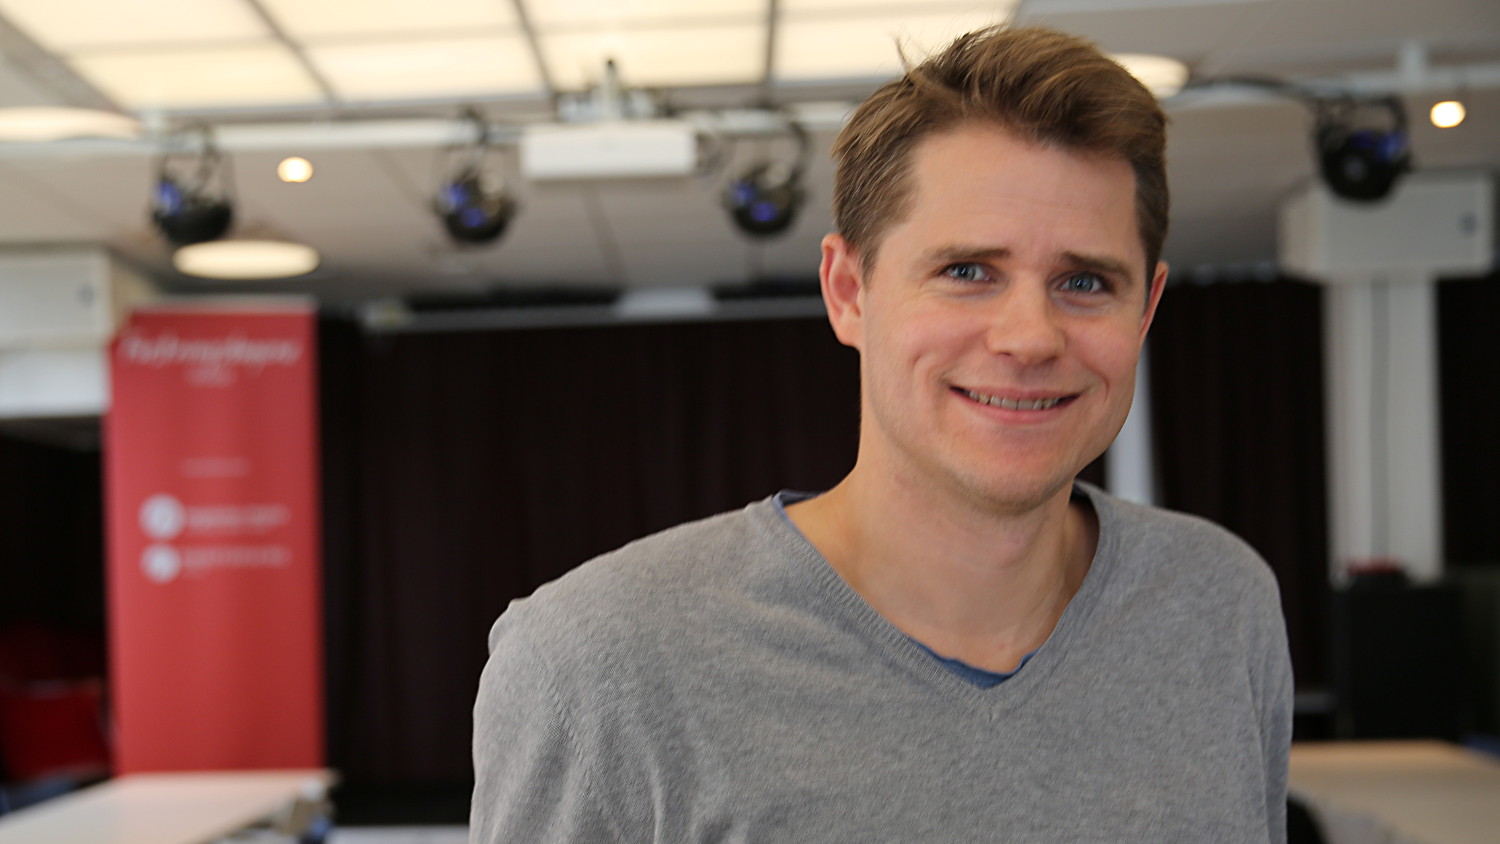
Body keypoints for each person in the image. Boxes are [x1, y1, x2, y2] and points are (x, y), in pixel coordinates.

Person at [472, 24, 1292, 843]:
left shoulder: (1221, 606)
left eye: (1085, 281)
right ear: (848, 292)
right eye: (967, 271)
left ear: (1145, 310)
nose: (1030, 337)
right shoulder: (594, 666)